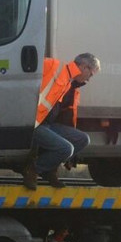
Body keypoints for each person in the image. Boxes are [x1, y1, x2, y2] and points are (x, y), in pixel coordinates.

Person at [22, 53, 100, 189]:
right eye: (91, 74)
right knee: (66, 148)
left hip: (46, 125)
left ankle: (49, 169)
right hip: (33, 123)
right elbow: (25, 71)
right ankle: (33, 170)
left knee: (82, 139)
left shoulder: (70, 83)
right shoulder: (54, 66)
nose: (89, 79)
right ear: (84, 67)